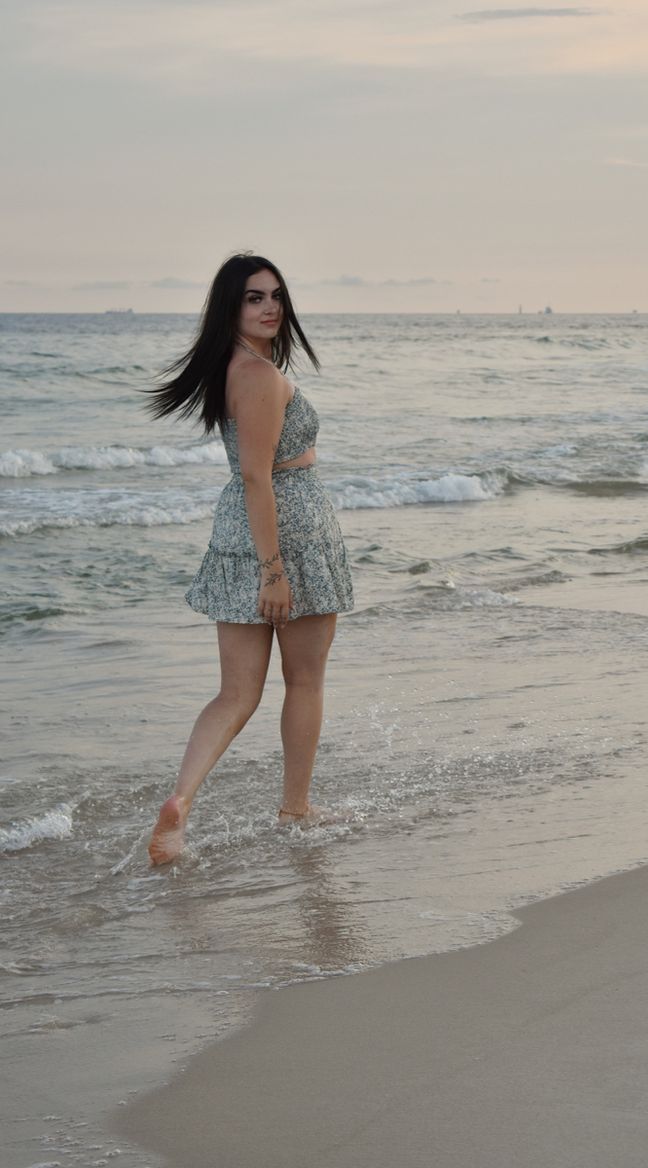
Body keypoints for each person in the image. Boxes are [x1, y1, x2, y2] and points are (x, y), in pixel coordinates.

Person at [145, 253, 353, 865]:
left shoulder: (234, 367)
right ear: (231, 309)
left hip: (240, 531)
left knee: (235, 695)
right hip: (287, 536)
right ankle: (295, 809)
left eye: (275, 295)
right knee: (305, 680)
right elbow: (260, 479)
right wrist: (276, 571)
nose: (270, 307)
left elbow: (246, 478)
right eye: (254, 298)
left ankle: (180, 803)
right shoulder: (258, 376)